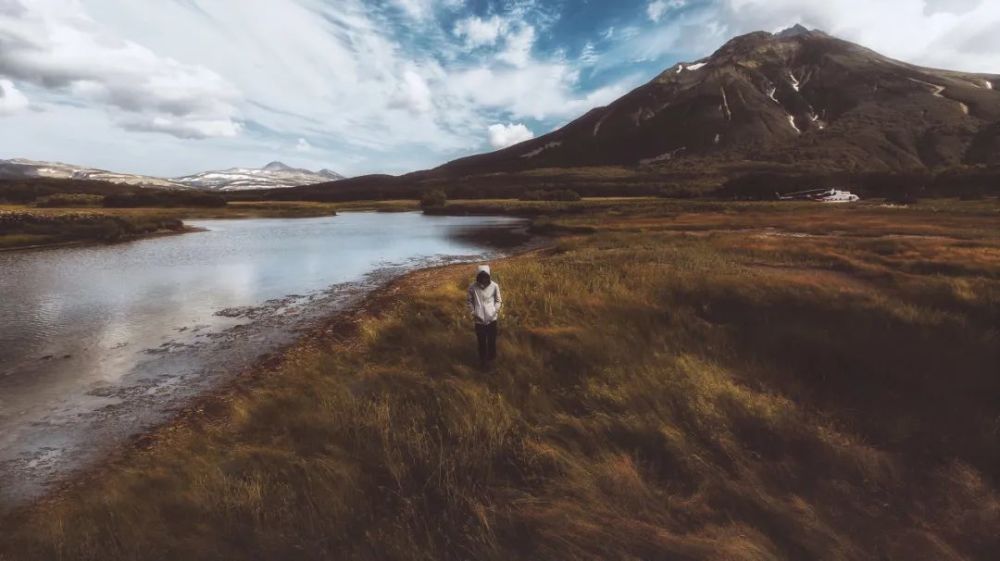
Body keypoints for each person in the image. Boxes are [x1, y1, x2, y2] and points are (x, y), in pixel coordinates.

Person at [467, 264, 502, 368]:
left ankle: (492, 361)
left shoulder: (494, 286)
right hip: (479, 321)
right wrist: (474, 313)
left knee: (491, 342)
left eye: (485, 276)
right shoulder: (472, 287)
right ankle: (482, 362)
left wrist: (494, 311)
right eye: (481, 276)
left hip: (492, 320)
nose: (483, 278)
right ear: (478, 276)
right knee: (481, 342)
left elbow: (498, 300)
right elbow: (469, 301)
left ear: (488, 275)